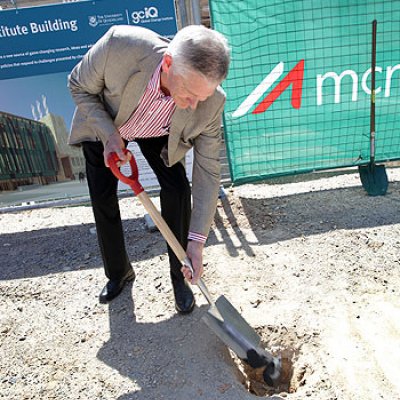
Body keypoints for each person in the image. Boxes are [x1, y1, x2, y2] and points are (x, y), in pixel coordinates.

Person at [68, 24, 230, 313]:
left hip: (158, 129)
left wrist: (197, 242)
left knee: (178, 188)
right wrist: (110, 135)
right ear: (168, 64)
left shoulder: (211, 102)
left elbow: (207, 170)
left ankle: (179, 275)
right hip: (108, 120)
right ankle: (118, 272)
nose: (194, 106)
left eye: (201, 98)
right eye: (190, 93)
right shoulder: (121, 46)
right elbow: (78, 86)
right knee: (103, 197)